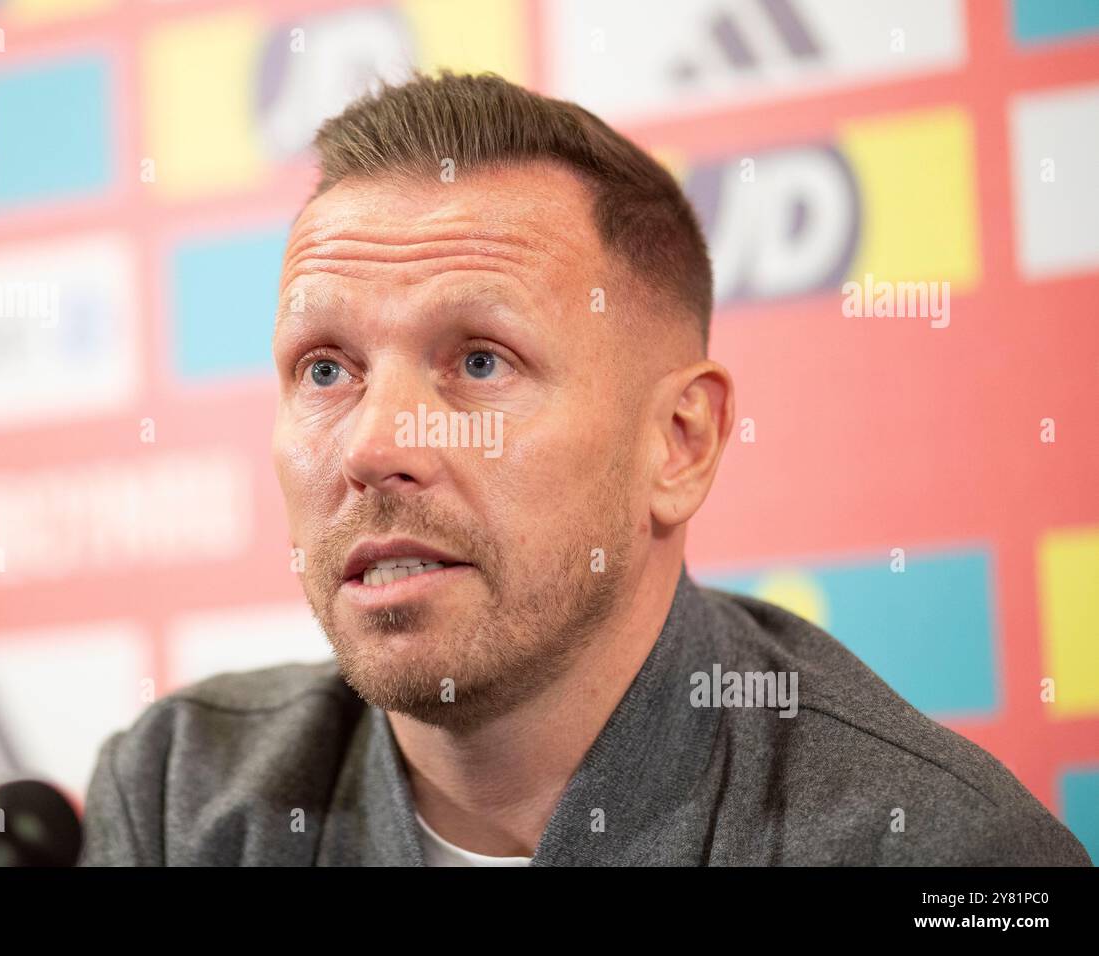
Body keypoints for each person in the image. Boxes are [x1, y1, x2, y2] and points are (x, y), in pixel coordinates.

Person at [78, 70, 1090, 866]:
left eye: (479, 360)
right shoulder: (179, 799)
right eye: (327, 368)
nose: (373, 446)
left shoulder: (926, 848)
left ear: (679, 442)